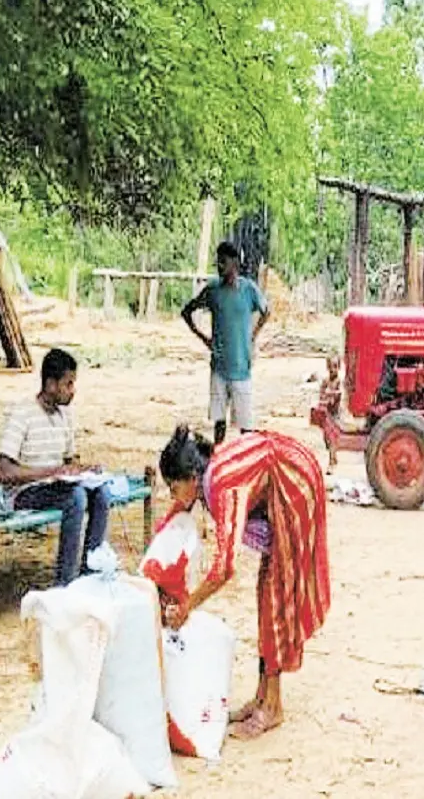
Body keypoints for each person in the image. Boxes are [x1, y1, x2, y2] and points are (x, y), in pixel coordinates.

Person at [157, 425, 330, 740]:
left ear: (191, 479)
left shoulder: (223, 486)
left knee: (276, 595)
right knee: (266, 592)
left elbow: (225, 568)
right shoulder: (205, 476)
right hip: (282, 479)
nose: (173, 495)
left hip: (293, 487)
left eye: (173, 487)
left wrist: (187, 606)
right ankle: (262, 695)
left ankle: (273, 705)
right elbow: (177, 510)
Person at [0, 348, 107, 586]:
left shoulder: (65, 416)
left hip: (55, 486)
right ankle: (64, 584)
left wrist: (84, 469)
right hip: (24, 492)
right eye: (68, 384)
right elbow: (3, 472)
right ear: (50, 384)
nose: (72, 391)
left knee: (101, 493)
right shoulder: (23, 413)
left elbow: (68, 463)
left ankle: (90, 574)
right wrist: (52, 472)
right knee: (75, 498)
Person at [182, 241, 271, 446]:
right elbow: (187, 311)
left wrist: (253, 335)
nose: (220, 266)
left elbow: (266, 312)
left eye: (223, 262)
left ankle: (245, 465)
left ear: (235, 263)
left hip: (242, 365)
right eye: (218, 262)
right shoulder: (212, 291)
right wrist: (203, 337)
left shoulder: (249, 290)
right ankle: (219, 460)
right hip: (219, 367)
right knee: (219, 422)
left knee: (246, 426)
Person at [319, 355, 342, 474]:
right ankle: (333, 458)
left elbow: (338, 394)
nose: (333, 369)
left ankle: (331, 463)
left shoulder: (339, 381)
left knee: (332, 438)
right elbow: (321, 395)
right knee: (327, 439)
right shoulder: (326, 381)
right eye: (331, 366)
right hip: (327, 413)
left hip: (335, 414)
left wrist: (331, 394)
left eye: (336, 366)